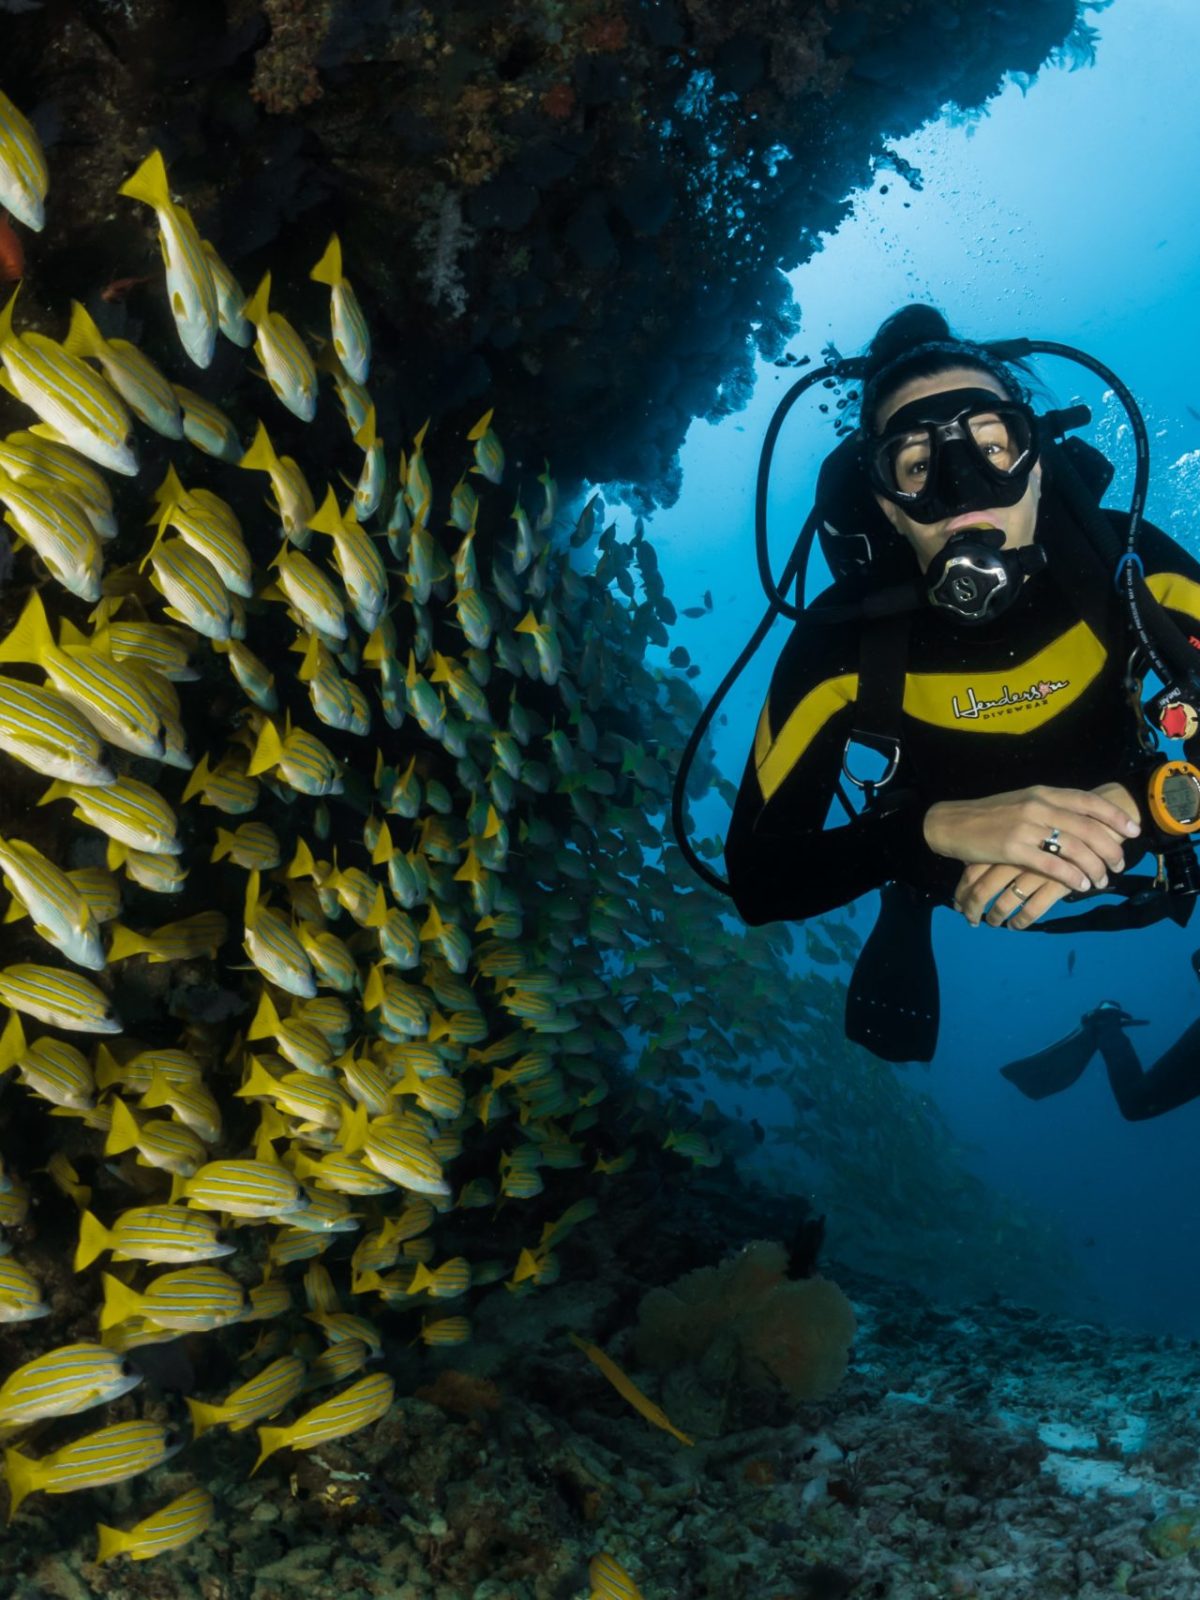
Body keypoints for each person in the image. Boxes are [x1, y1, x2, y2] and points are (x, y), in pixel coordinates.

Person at [724, 302, 1200, 1118]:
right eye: (915, 464)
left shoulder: (1126, 566)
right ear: (881, 501)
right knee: (905, 870)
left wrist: (1149, 805)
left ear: (1039, 461)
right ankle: (908, 898)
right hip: (944, 868)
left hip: (1151, 834)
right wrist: (928, 833)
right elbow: (761, 879)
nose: (962, 488)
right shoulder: (841, 649)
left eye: (992, 446)